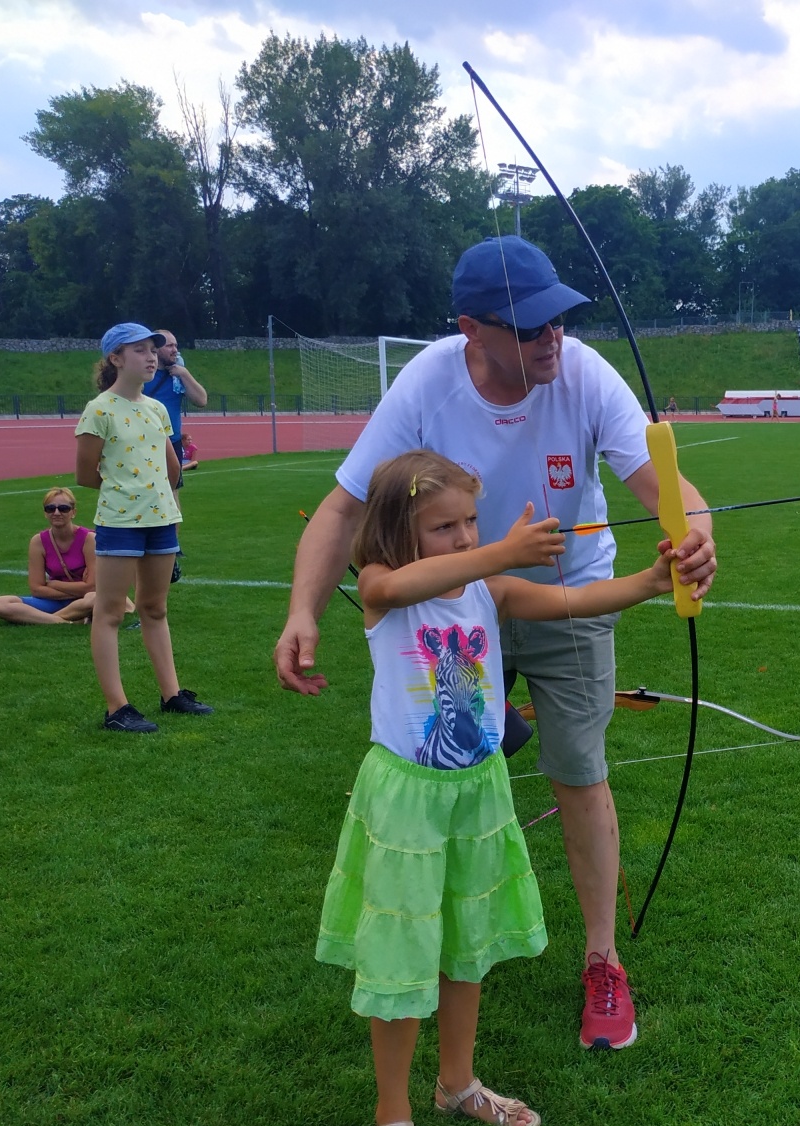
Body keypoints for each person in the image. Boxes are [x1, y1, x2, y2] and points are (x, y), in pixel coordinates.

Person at [277, 236, 718, 1051]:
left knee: (579, 771)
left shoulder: (583, 372)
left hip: (568, 592)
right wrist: (302, 610)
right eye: (528, 328)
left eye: (557, 320)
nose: (552, 338)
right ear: (470, 330)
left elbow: (666, 486)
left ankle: (602, 959)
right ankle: (444, 930)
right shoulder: (429, 379)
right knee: (442, 764)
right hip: (449, 604)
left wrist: (694, 536)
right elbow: (342, 508)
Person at [319, 450, 674, 1126]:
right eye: (443, 525)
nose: (462, 537)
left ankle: (458, 1083)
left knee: (466, 944)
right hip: (407, 801)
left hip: (478, 794)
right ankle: (392, 1121)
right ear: (395, 531)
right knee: (401, 955)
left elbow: (571, 604)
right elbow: (397, 580)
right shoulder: (386, 591)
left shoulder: (488, 587)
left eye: (469, 521)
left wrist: (649, 582)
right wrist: (496, 550)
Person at [76, 322, 213, 733]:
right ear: (115, 358)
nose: (151, 356)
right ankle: (116, 708)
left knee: (155, 608)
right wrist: (128, 492)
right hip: (120, 522)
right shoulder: (98, 409)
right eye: (139, 350)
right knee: (111, 611)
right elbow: (85, 474)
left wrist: (158, 497)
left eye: (153, 350)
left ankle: (171, 695)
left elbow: (172, 470)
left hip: (162, 521)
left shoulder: (156, 410)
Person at [0, 486, 101, 625]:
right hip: (53, 600)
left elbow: (91, 587)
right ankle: (65, 621)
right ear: (45, 513)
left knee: (94, 598)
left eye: (63, 508)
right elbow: (36, 589)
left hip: (84, 599)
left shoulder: (89, 539)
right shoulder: (38, 541)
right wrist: (76, 589)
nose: (56, 513)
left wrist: (54, 584)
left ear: (73, 512)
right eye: (50, 508)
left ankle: (41, 619)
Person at [143, 328, 208, 471]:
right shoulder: (143, 375)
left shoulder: (178, 376)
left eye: (176, 345)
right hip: (144, 442)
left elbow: (201, 400)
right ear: (156, 348)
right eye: (169, 346)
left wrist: (184, 373)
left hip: (172, 442)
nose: (175, 350)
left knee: (173, 491)